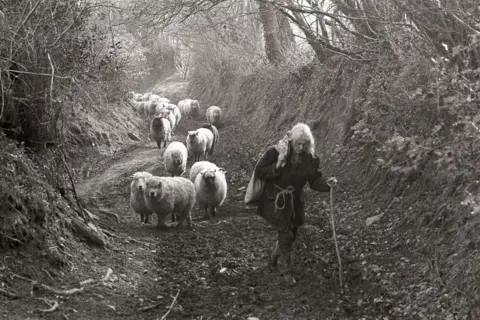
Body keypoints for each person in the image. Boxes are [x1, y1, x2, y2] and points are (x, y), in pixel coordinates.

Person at [254, 122, 337, 286]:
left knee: (292, 235)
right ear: (292, 140)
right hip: (277, 200)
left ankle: (272, 257)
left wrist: (327, 184)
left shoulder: (311, 160)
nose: (300, 147)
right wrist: (277, 166)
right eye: (298, 143)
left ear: (309, 143)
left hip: (295, 202)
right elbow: (260, 171)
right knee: (285, 234)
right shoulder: (276, 152)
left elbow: (314, 181)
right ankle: (288, 273)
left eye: (304, 144)